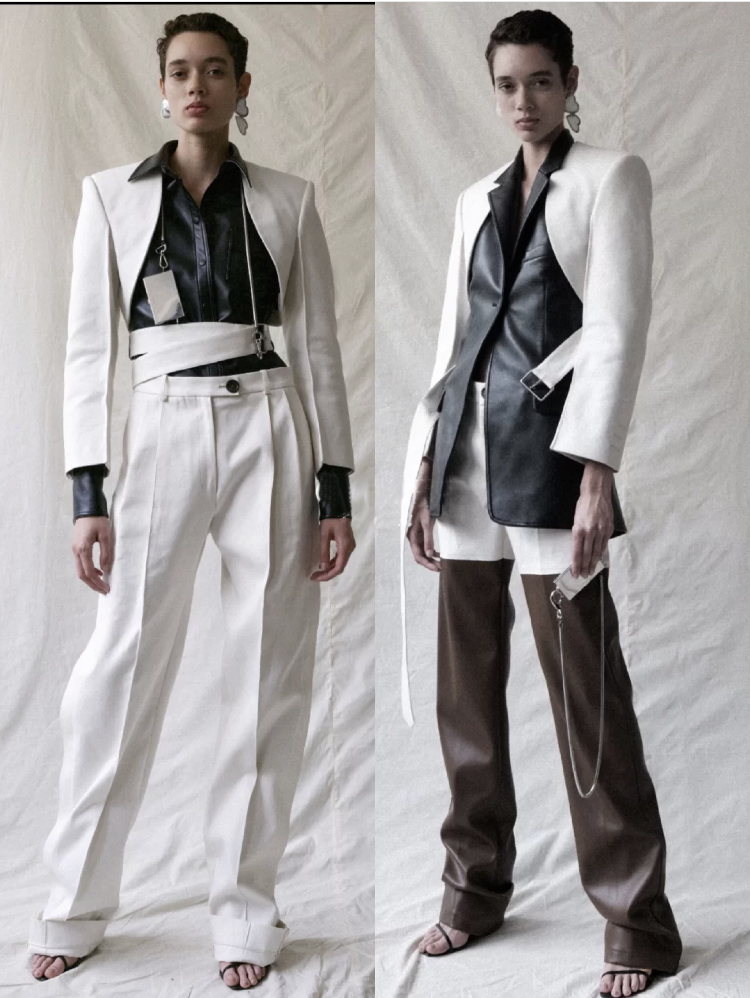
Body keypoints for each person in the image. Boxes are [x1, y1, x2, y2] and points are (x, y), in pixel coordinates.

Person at [28, 12, 356, 992]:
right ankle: (74, 901)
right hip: (161, 424)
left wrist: (335, 486)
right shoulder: (110, 197)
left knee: (265, 672)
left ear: (243, 85)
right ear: (161, 85)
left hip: (270, 422)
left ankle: (245, 909)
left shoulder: (289, 199)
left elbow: (321, 346)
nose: (197, 85)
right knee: (119, 667)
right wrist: (88, 490)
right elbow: (87, 354)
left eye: (216, 70)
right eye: (181, 70)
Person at [401, 10, 680, 997]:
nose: (523, 101)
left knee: (585, 692)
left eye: (541, 82)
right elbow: (451, 342)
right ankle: (473, 888)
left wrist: (598, 469)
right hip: (466, 458)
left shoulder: (611, 177)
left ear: (571, 82)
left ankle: (638, 922)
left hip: (553, 461)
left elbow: (617, 328)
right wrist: (421, 468)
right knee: (465, 693)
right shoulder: (473, 199)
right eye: (507, 85)